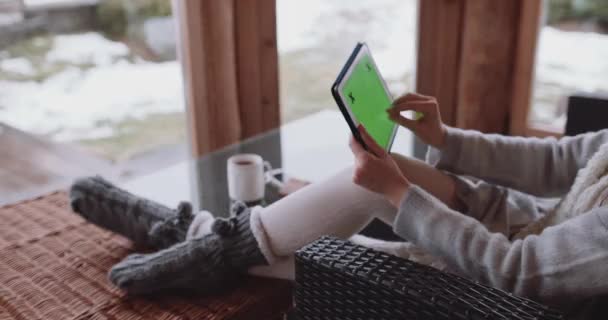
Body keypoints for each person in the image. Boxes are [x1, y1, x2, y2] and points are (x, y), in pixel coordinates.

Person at [70, 93, 608, 319]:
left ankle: (192, 234)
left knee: (354, 224)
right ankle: (210, 240)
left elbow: (519, 273)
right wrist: (447, 137)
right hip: (514, 220)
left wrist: (399, 194)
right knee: (369, 181)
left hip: (503, 287)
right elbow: (561, 158)